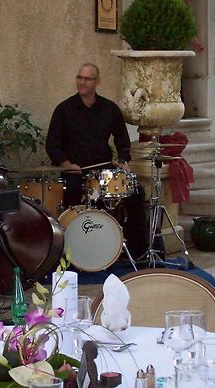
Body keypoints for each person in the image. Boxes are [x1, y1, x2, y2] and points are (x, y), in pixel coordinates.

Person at [46, 63, 149, 260]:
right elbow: (52, 145)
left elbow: (122, 141)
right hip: (75, 172)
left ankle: (137, 251)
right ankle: (74, 254)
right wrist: (66, 164)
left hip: (104, 170)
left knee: (136, 192)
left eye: (87, 79)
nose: (82, 82)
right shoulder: (64, 110)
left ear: (97, 82)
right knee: (73, 193)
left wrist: (123, 160)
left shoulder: (109, 109)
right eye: (79, 77)